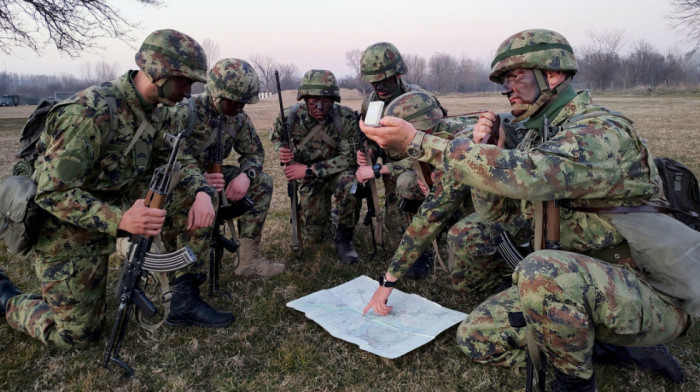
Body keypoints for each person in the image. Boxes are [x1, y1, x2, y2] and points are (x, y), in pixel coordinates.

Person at [361, 29, 688, 391]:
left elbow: (530, 175)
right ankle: (596, 342)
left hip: (642, 286)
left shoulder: (599, 131)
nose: (507, 88)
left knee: (540, 269)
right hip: (576, 276)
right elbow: (495, 216)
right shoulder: (540, 134)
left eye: (516, 76)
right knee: (475, 336)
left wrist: (418, 142)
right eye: (504, 80)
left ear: (554, 74)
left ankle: (575, 380)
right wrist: (490, 150)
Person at [0, 29, 234, 349]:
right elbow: (52, 194)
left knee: (189, 195)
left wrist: (203, 193)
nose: (189, 92)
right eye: (185, 81)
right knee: (77, 336)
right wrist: (122, 220)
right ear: (158, 72)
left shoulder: (161, 111)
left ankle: (183, 301)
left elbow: (176, 159)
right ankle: (7, 297)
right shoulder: (89, 112)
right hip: (66, 223)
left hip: (120, 201)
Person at [172, 58, 284, 278]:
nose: (239, 108)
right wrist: (198, 180)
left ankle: (248, 261)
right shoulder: (184, 113)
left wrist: (246, 175)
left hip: (215, 178)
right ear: (217, 94)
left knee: (263, 182)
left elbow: (255, 153)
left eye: (243, 103)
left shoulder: (238, 118)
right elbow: (167, 156)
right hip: (181, 181)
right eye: (234, 102)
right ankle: (184, 270)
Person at [358, 42, 447, 276]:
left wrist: (380, 169)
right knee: (395, 226)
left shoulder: (419, 100)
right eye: (373, 82)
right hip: (390, 169)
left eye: (384, 79)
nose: (379, 86)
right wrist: (369, 153)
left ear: (398, 74)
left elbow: (434, 148)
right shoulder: (370, 103)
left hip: (419, 169)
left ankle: (426, 248)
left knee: (406, 184)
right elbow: (371, 137)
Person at [271, 69, 361, 264]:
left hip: (336, 174)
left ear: (333, 100)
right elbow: (276, 137)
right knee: (314, 238)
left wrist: (309, 170)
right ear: (305, 99)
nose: (319, 106)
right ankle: (332, 216)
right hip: (309, 180)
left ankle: (345, 237)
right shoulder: (290, 117)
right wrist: (282, 150)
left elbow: (349, 159)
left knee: (350, 184)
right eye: (313, 101)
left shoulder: (345, 118)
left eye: (325, 100)